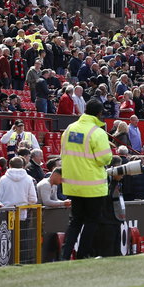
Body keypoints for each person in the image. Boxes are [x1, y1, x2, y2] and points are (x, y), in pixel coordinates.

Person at [60, 98, 113, 260]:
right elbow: (104, 159)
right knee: (91, 222)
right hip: (92, 186)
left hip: (72, 185)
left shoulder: (70, 128)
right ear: (99, 113)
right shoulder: (97, 132)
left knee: (75, 221)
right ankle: (82, 255)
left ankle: (65, 254)